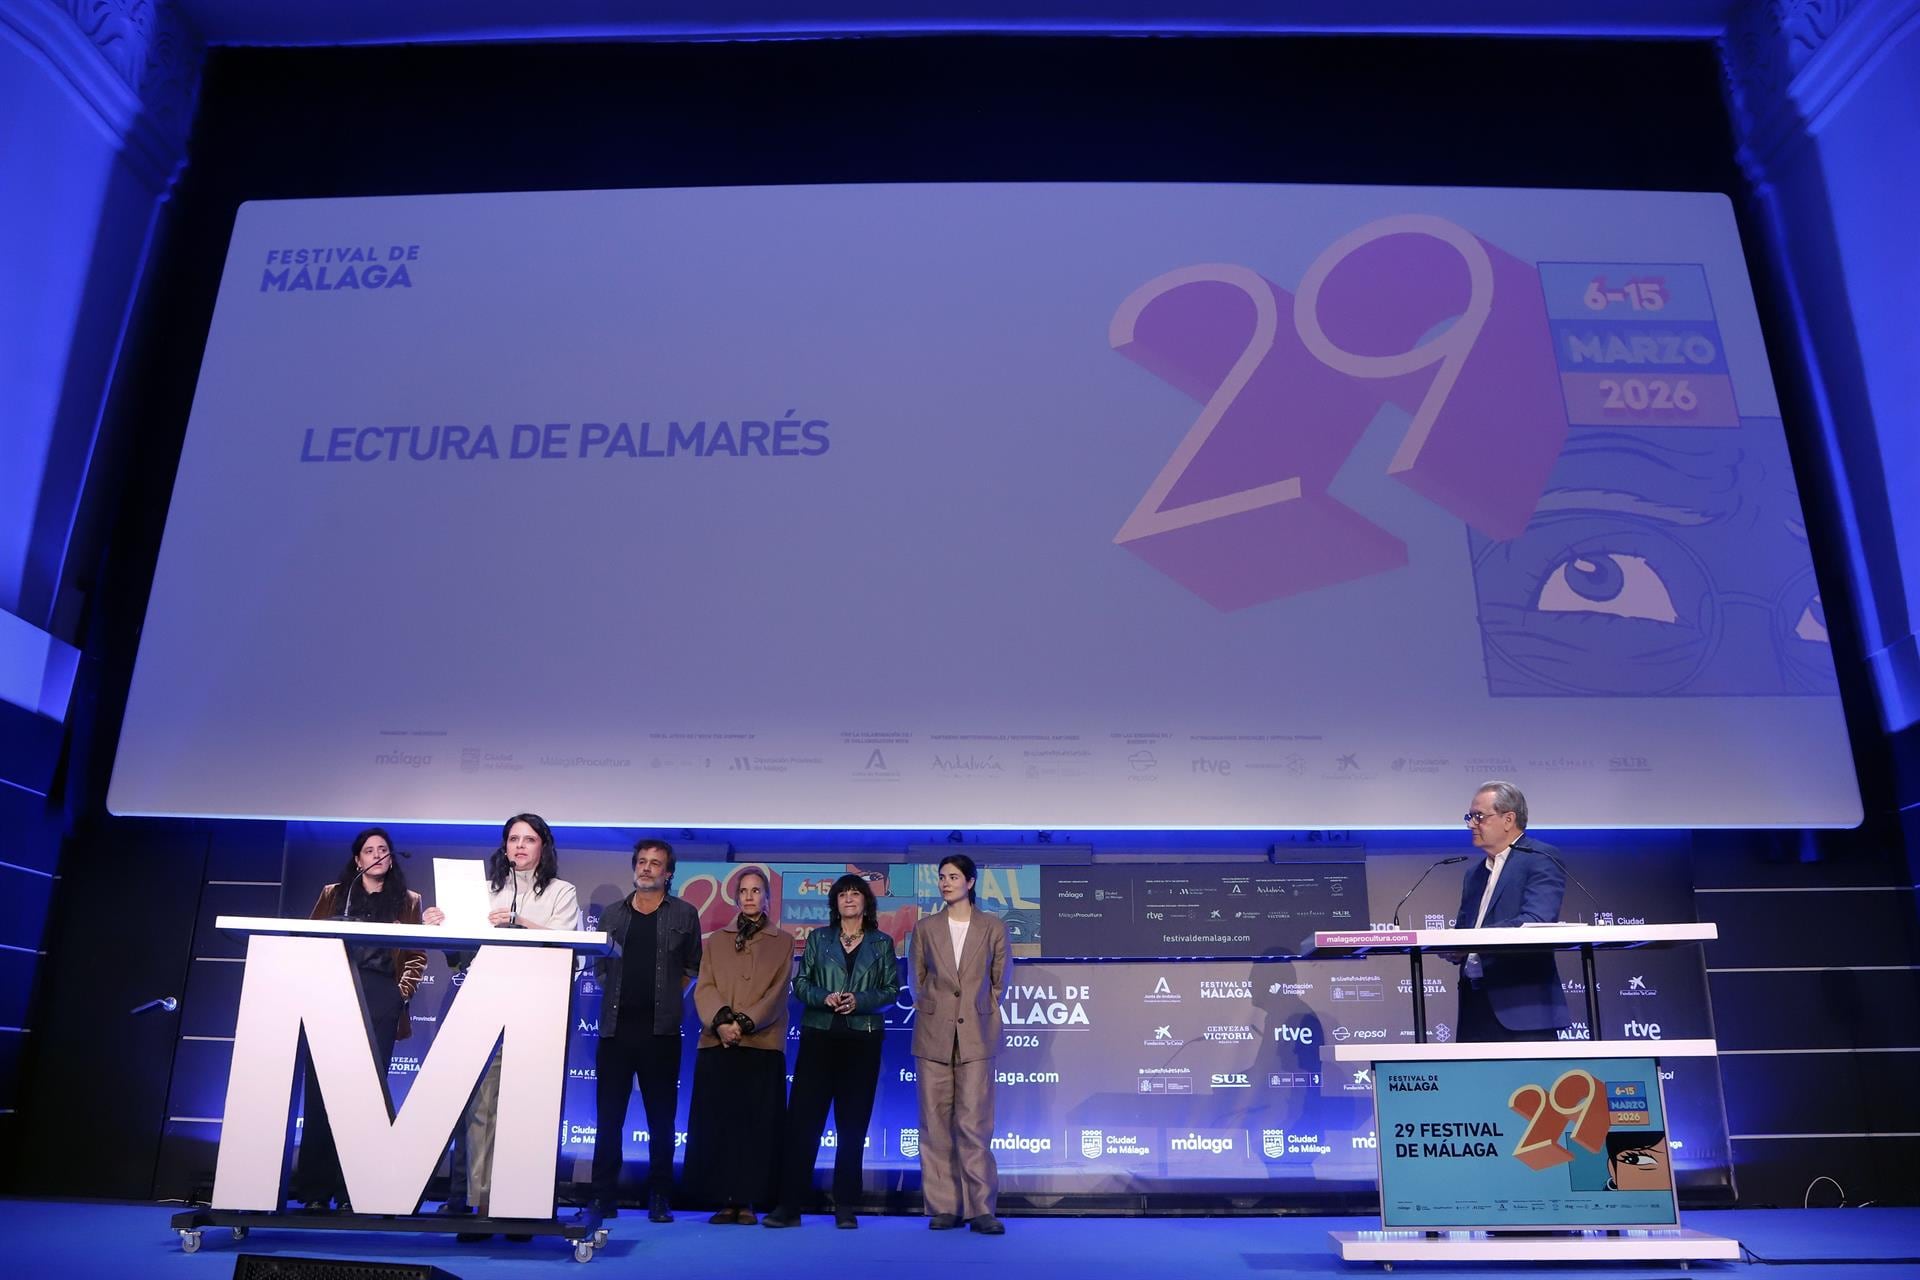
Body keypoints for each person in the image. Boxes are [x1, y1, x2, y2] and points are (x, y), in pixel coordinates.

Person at [422, 812, 580, 1239]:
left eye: (529, 839)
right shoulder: (485, 891)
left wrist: (519, 924)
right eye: (513, 839)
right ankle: (482, 1204)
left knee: (527, 1107)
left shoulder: (562, 892)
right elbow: (459, 956)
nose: (520, 846)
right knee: (482, 1108)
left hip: (537, 1009)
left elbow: (571, 949)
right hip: (484, 1004)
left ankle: (521, 1206)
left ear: (543, 846)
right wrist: (442, 926)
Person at [290, 826, 425, 1211]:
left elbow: (415, 955)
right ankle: (315, 1190)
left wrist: (400, 994)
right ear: (358, 859)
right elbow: (310, 938)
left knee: (368, 1094)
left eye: (384, 849)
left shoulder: (408, 900)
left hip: (381, 996)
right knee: (321, 1092)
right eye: (370, 850)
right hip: (332, 996)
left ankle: (354, 1191)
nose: (378, 855)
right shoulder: (335, 894)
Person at [576, 838, 702, 1226]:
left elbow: (693, 966)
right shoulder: (613, 914)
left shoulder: (684, 913)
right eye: (642, 862)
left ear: (668, 873)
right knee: (608, 1118)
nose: (647, 868)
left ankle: (660, 1196)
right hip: (615, 1031)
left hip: (660, 1032)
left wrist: (666, 998)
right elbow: (598, 966)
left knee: (661, 1119)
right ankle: (603, 1197)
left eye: (656, 863)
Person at [764, 873, 899, 1229]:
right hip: (819, 1037)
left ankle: (846, 1205)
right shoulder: (818, 939)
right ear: (834, 902)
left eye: (856, 894)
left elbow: (890, 991)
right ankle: (789, 1205)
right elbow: (801, 983)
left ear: (866, 902)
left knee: (852, 1127)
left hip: (863, 1040)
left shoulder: (881, 943)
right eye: (843, 894)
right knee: (803, 1125)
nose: (849, 899)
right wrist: (824, 998)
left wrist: (861, 1000)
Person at [684, 869, 792, 1225]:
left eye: (756, 891)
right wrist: (723, 1022)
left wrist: (744, 1024)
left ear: (767, 898)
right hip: (717, 1043)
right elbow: (705, 986)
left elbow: (776, 993)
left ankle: (748, 1201)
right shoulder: (715, 940)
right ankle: (723, 1199)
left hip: (761, 1045)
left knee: (756, 1126)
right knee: (720, 1124)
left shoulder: (783, 941)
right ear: (735, 897)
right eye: (743, 891)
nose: (749, 897)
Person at [908, 854, 1009, 1235]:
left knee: (975, 1123)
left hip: (977, 1036)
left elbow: (1000, 980)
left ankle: (981, 1208)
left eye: (952, 877)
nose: (945, 883)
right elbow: (917, 980)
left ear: (970, 882)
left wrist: (978, 1008)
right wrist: (936, 1010)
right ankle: (945, 1206)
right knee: (935, 1124)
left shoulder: (993, 927)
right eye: (941, 877)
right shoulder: (925, 928)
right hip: (933, 1034)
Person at [1452, 781, 1574, 1042]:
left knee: (1531, 1084)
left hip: (1523, 1009)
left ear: (1509, 819)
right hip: (1474, 1006)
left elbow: (1536, 921)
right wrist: (1451, 945)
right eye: (1469, 817)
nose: (1471, 824)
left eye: (1479, 817)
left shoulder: (1541, 858)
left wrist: (1472, 941)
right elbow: (1463, 930)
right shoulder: (1473, 874)